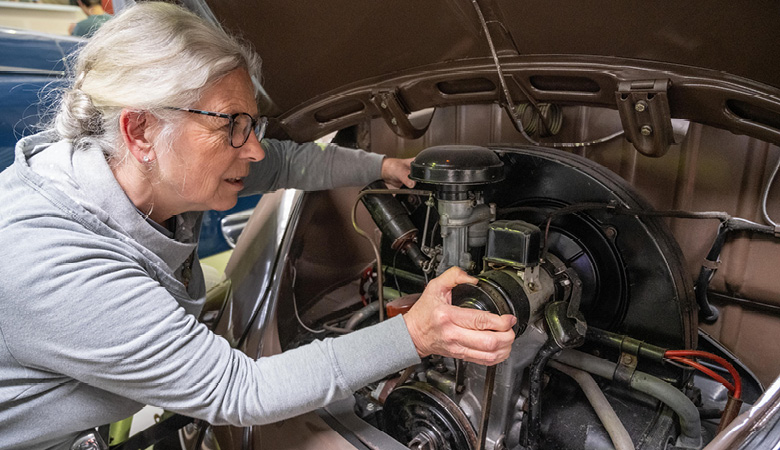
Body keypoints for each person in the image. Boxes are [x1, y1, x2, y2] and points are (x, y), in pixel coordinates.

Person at [0, 3, 516, 449]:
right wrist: (417, 333)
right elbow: (239, 391)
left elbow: (287, 163)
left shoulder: (150, 171)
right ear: (140, 130)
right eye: (232, 125)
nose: (251, 147)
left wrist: (383, 167)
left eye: (253, 124)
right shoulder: (55, 261)